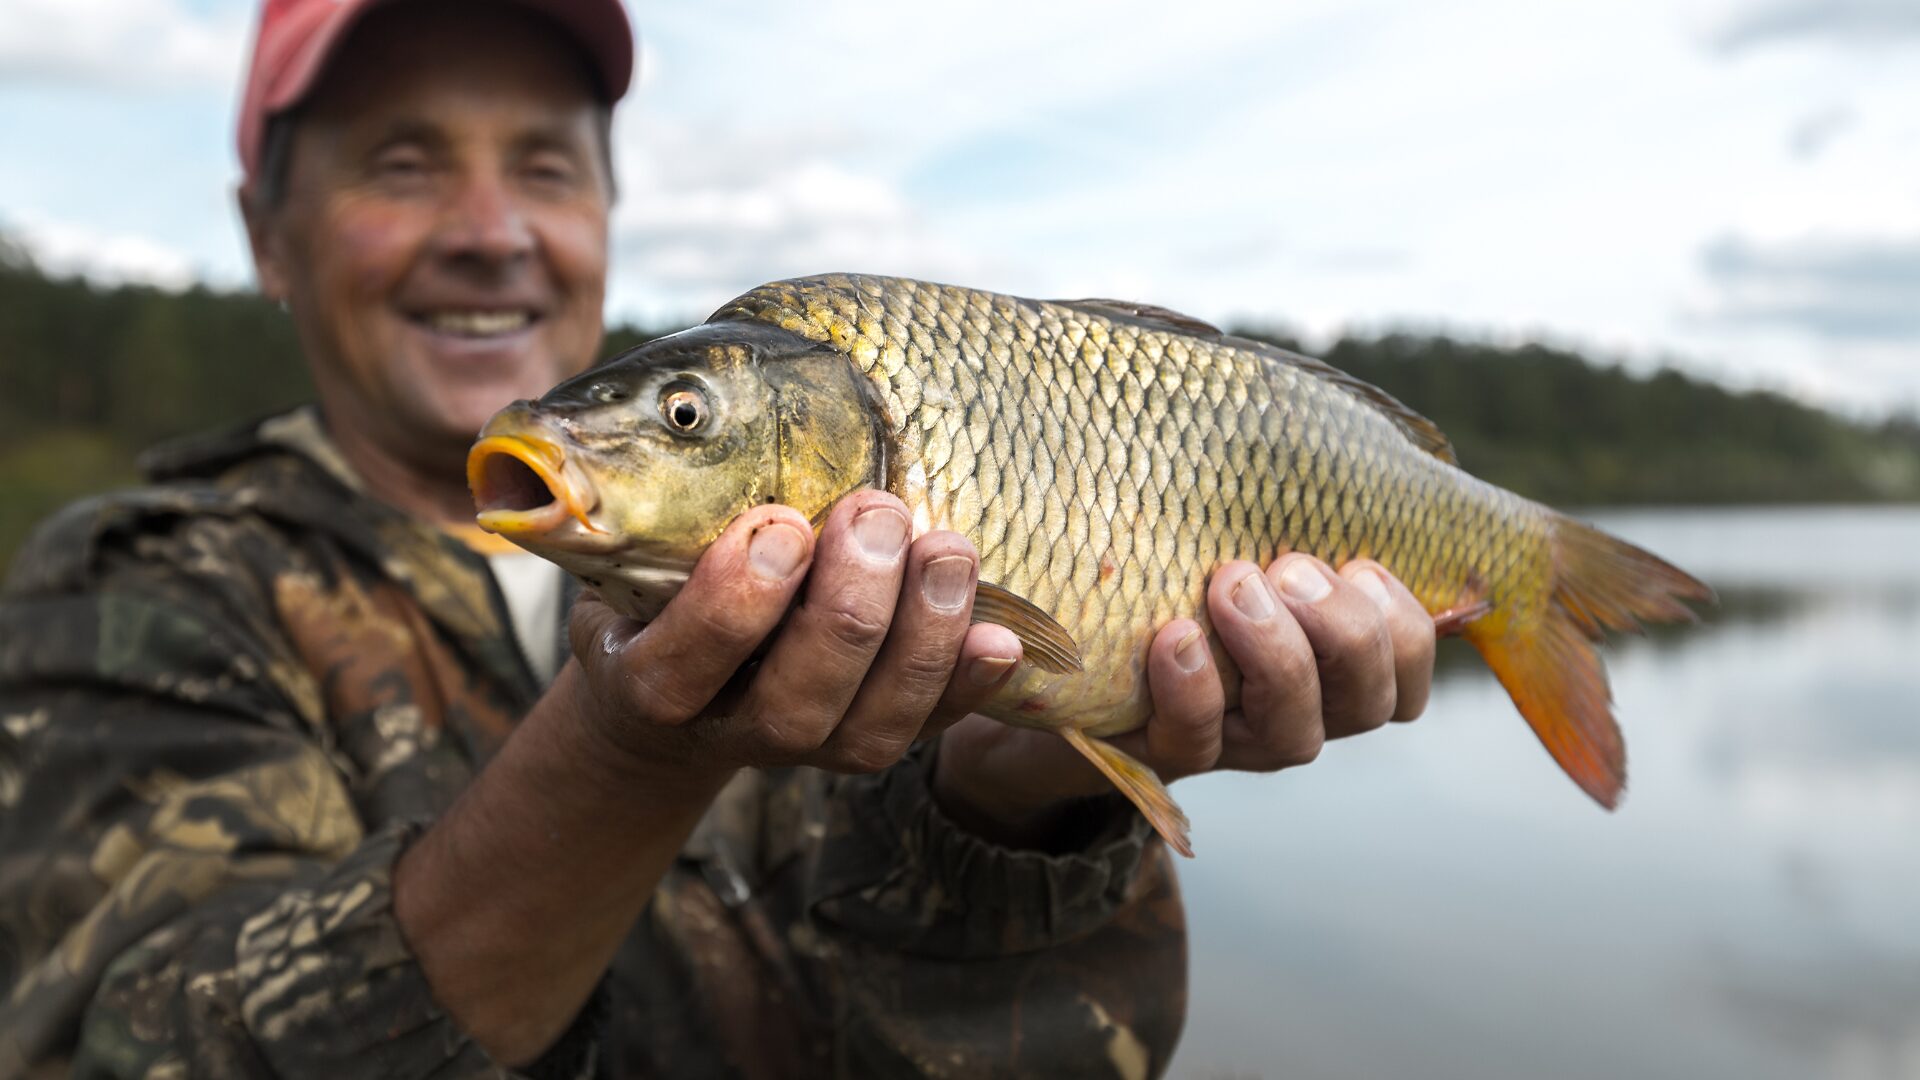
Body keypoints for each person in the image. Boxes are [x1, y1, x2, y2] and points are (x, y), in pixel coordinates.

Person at [0, 1, 1440, 1076]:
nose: (493, 230)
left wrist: (1016, 792)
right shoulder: (137, 597)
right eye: (403, 164)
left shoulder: (862, 574)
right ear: (265, 232)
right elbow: (115, 1043)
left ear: (610, 213)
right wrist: (633, 749)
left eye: (548, 168)